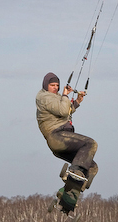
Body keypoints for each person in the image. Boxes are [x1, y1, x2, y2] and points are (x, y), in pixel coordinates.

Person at [36, 72, 98, 209]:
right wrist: (65, 96)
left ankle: (68, 198)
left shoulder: (55, 98)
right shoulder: (44, 97)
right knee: (90, 144)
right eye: (52, 85)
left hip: (62, 138)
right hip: (56, 137)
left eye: (57, 85)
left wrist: (77, 102)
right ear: (46, 85)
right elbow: (64, 111)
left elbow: (65, 111)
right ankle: (74, 175)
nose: (55, 88)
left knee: (92, 167)